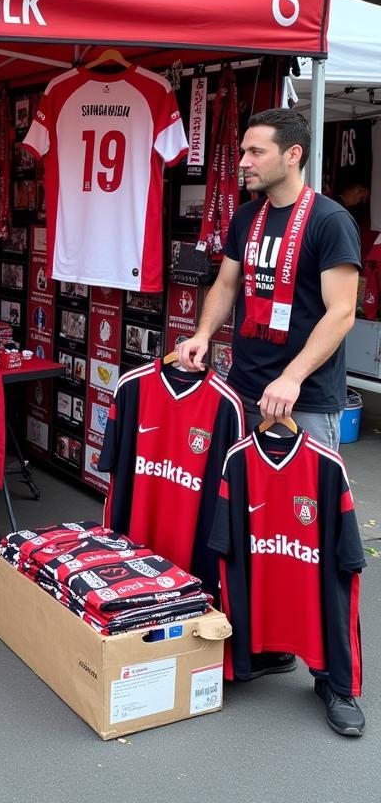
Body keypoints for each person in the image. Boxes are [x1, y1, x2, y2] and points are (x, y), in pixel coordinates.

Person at [176, 109, 362, 734]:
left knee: (317, 542)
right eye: (245, 151)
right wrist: (202, 334)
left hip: (303, 402)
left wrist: (293, 376)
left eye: (256, 152)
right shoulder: (246, 216)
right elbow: (228, 284)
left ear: (293, 155)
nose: (245, 162)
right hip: (245, 395)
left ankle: (336, 680)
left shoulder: (331, 222)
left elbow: (340, 314)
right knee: (257, 529)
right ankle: (272, 643)